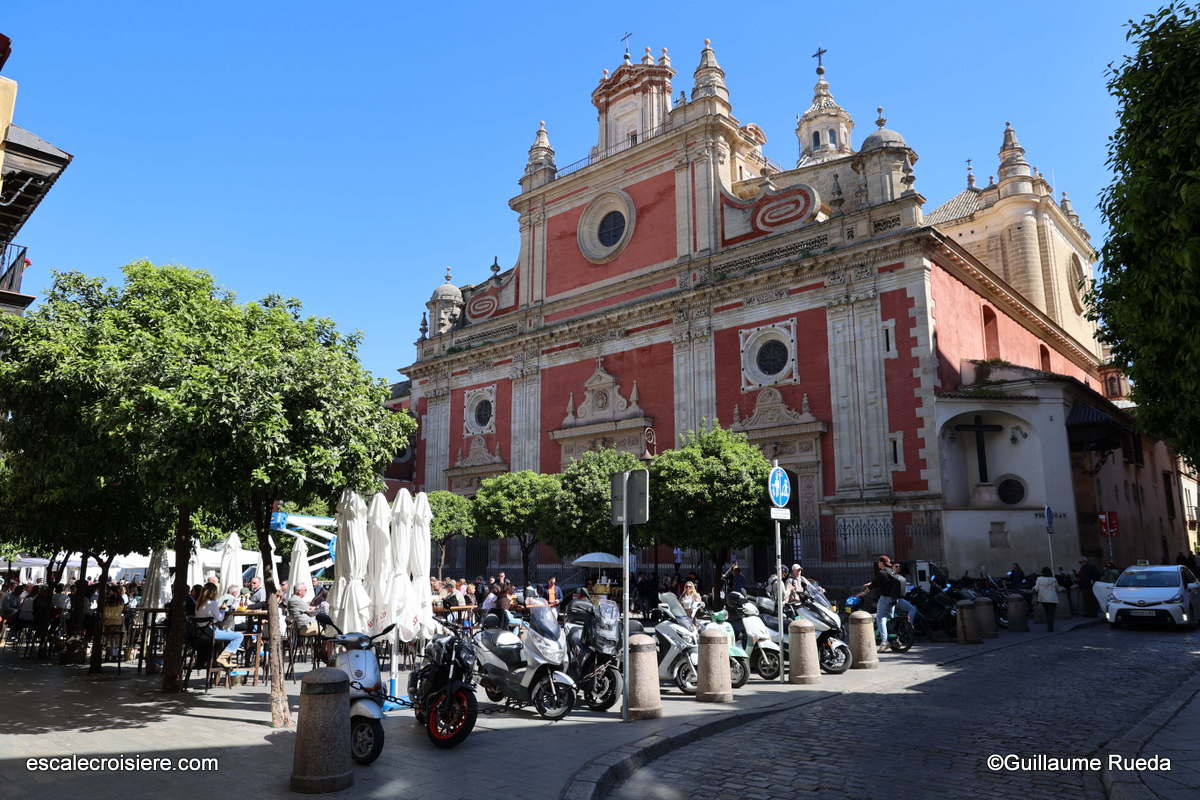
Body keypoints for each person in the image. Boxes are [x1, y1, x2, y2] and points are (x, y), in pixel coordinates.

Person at [194, 584, 243, 668]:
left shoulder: (198, 602)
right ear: (213, 593)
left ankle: (219, 659)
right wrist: (223, 610)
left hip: (200, 632)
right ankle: (223, 658)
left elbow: (210, 617)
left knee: (228, 633)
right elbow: (220, 618)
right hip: (211, 632)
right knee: (239, 636)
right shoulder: (212, 603)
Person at [868, 556, 902, 649]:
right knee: (890, 618)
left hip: (885, 598)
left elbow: (873, 585)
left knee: (880, 618)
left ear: (882, 563)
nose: (878, 564)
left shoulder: (882, 572)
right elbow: (883, 582)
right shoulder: (891, 571)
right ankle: (895, 639)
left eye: (878, 562)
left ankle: (884, 641)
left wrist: (862, 593)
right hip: (894, 598)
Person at [1032, 567, 1060, 631]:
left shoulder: (1039, 579)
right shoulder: (1053, 579)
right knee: (1051, 613)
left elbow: (1036, 588)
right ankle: (1051, 627)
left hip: (1043, 598)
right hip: (1052, 599)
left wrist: (1033, 589)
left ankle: (1049, 626)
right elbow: (1057, 588)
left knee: (1047, 612)